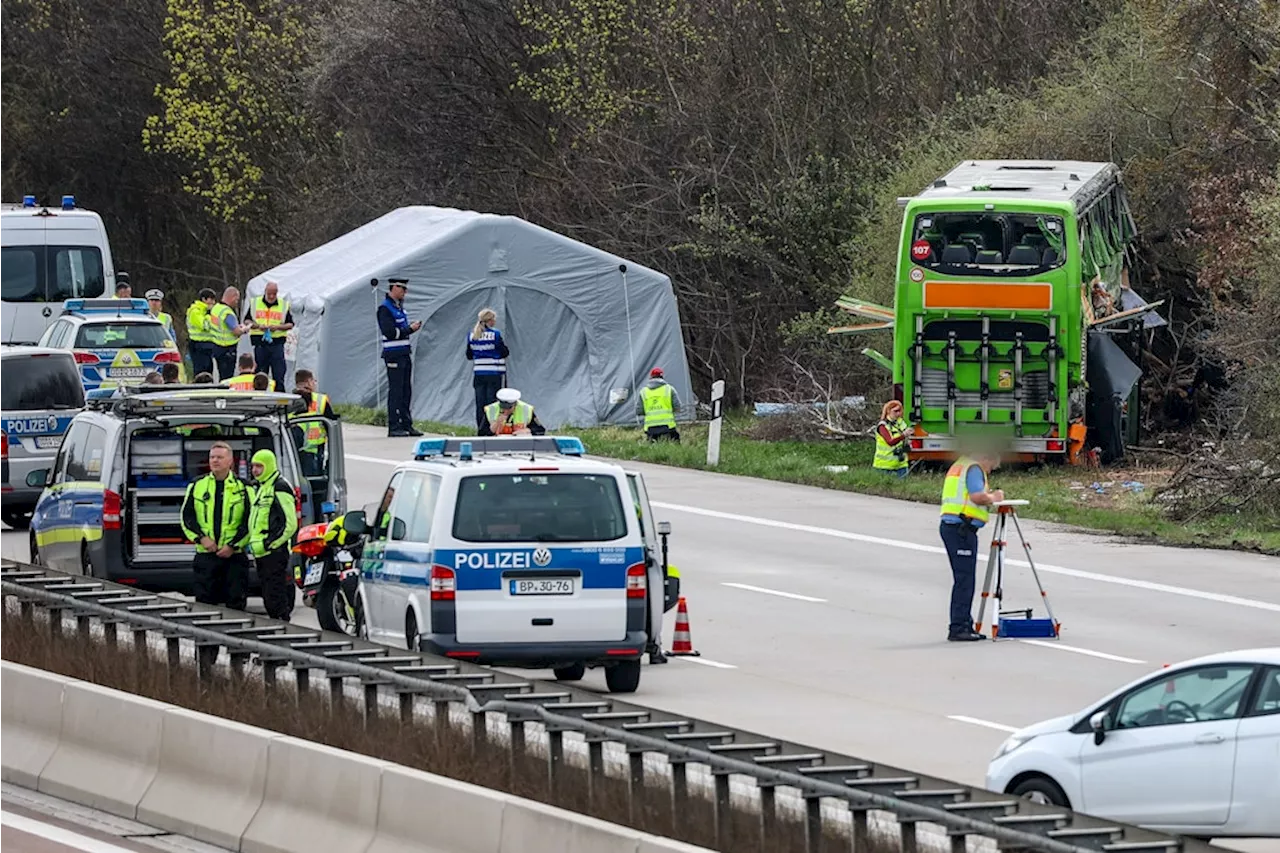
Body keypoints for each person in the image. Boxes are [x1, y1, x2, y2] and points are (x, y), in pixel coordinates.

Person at [939, 449, 1004, 642]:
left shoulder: (961, 464)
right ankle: (958, 627)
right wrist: (994, 498)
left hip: (956, 527)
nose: (990, 472)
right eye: (991, 467)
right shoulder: (974, 468)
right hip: (961, 529)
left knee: (964, 578)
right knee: (965, 580)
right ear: (986, 457)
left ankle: (965, 622)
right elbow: (977, 496)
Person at [180, 442, 251, 610]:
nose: (215, 461)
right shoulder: (197, 485)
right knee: (204, 606)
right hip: (206, 556)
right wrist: (201, 538)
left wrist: (233, 546)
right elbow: (187, 517)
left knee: (236, 606)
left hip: (234, 557)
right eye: (212, 457)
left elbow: (250, 521)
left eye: (220, 457)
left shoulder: (244, 487)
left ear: (230, 461)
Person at [247, 448, 299, 622]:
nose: (255, 470)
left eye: (259, 466)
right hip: (261, 552)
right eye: (253, 466)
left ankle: (283, 629)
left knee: (276, 598)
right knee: (269, 597)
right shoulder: (262, 487)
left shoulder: (279, 487)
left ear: (268, 465)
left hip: (274, 552)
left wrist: (271, 543)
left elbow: (290, 523)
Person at [377, 278, 423, 437]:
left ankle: (406, 423)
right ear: (394, 287)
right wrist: (409, 329)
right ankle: (394, 425)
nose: (405, 292)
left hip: (404, 353)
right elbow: (389, 332)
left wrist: (407, 330)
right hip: (393, 354)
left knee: (406, 390)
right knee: (396, 391)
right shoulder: (385, 308)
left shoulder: (400, 308)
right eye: (402, 288)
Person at [465, 308, 509, 430]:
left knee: (480, 403)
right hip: (494, 373)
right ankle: (491, 428)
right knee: (492, 403)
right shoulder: (495, 334)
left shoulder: (472, 335)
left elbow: (469, 355)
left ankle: (481, 428)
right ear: (489, 320)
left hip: (479, 374)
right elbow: (504, 352)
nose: (494, 321)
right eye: (493, 319)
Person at [292, 369, 337, 478]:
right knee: (314, 485)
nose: (314, 384)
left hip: (292, 451)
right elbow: (331, 427)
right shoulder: (320, 400)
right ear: (308, 382)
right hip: (314, 451)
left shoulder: (289, 401)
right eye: (314, 381)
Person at [248, 280, 293, 389]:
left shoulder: (283, 305)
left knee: (278, 375)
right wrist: (258, 326)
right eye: (269, 294)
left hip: (276, 344)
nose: (272, 296)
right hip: (260, 344)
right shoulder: (255, 303)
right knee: (260, 375)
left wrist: (277, 327)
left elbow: (290, 324)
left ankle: (280, 400)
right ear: (265, 292)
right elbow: (247, 321)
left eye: (274, 294)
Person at [209, 286, 248, 381]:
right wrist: (244, 329)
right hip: (227, 349)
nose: (237, 302)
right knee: (227, 378)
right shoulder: (227, 312)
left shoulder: (216, 308)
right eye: (237, 299)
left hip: (216, 346)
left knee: (220, 375)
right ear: (233, 297)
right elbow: (236, 331)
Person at [636, 367, 681, 442]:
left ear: (651, 377)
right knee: (675, 442)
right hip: (668, 426)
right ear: (662, 377)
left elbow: (639, 411)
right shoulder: (669, 389)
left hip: (650, 428)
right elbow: (677, 407)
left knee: (652, 447)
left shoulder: (643, 392)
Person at [479, 388, 546, 436]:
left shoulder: (526, 409)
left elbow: (540, 430)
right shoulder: (491, 409)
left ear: (515, 404)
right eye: (502, 407)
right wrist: (494, 427)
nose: (506, 410)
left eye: (509, 407)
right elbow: (481, 433)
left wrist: (527, 430)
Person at [185, 288, 218, 376]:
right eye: (211, 299)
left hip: (208, 345)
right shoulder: (195, 311)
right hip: (198, 345)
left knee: (208, 370)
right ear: (204, 299)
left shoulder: (203, 311)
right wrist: (209, 313)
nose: (213, 303)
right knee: (201, 372)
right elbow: (205, 325)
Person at [873, 400, 910, 477]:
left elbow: (907, 434)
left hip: (901, 463)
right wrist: (903, 435)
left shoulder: (900, 422)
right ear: (888, 411)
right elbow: (890, 442)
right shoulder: (882, 426)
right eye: (895, 411)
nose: (898, 414)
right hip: (884, 465)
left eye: (900, 411)